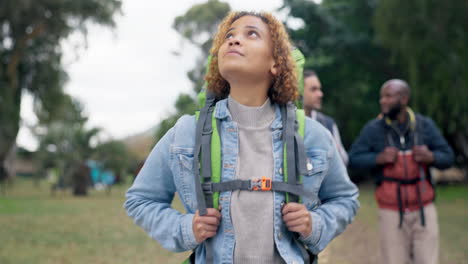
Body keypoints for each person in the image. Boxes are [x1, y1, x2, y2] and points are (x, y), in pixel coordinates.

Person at [125, 11, 359, 264]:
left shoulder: (312, 134)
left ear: (276, 63)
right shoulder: (186, 133)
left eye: (252, 34)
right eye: (229, 35)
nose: (234, 40)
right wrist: (185, 228)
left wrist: (315, 223)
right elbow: (140, 200)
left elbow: (345, 199)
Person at [348, 79, 454, 264]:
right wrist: (377, 158)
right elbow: (353, 160)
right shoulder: (373, 129)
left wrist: (432, 157)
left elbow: (448, 157)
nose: (382, 101)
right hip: (390, 212)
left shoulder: (424, 126)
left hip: (424, 209)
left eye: (388, 96)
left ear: (404, 99)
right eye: (382, 97)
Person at [303, 70, 348, 165]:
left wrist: (334, 150)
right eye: (313, 89)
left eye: (319, 89)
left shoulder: (328, 123)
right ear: (298, 91)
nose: (320, 94)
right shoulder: (285, 123)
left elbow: (344, 161)